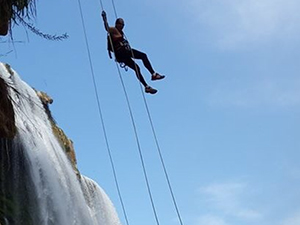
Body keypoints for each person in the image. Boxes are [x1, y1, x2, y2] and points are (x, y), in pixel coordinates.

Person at [101, 11, 165, 94]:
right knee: (143, 56)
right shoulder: (113, 29)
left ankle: (147, 86)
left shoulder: (121, 32)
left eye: (123, 25)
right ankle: (153, 74)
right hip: (122, 52)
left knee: (137, 67)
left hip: (125, 52)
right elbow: (107, 28)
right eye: (120, 24)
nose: (121, 26)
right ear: (116, 24)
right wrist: (104, 18)